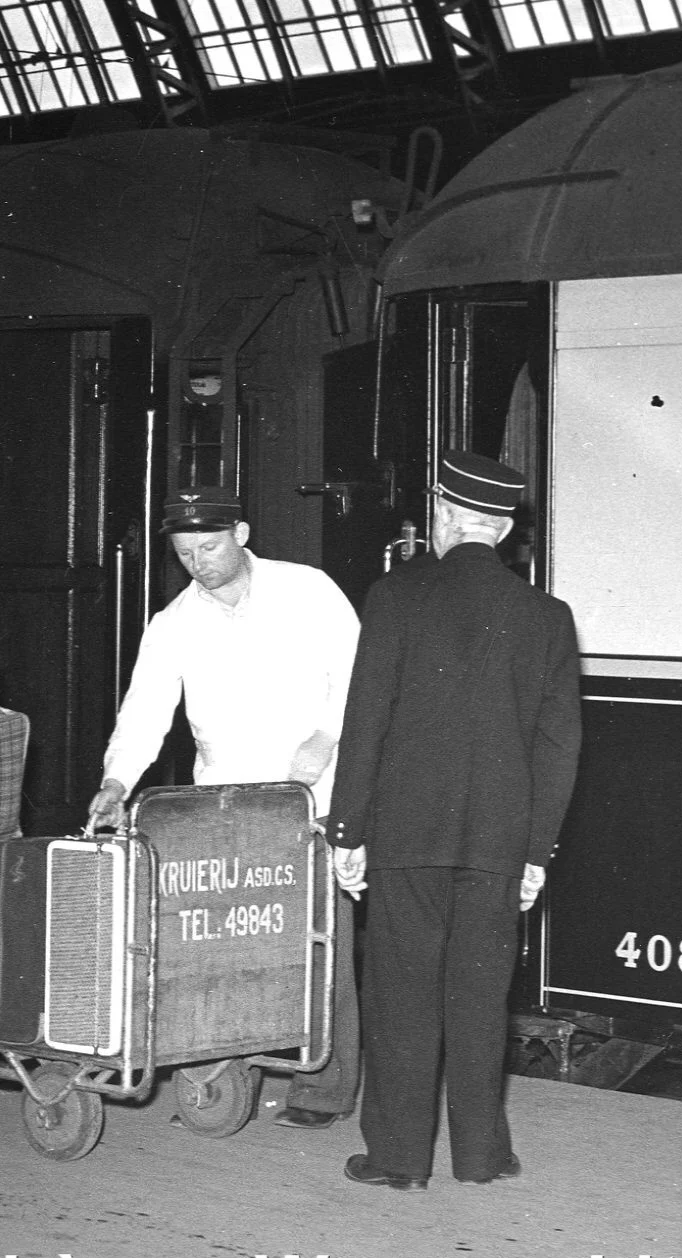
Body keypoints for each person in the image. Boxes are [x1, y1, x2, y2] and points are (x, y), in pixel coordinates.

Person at [329, 450, 581, 1189]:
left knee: (402, 996)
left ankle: (399, 1159)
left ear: (442, 516)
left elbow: (366, 722)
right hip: (498, 844)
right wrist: (536, 851)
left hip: (406, 836)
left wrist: (349, 831)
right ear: (501, 529)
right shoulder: (547, 617)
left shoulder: (394, 597)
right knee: (480, 997)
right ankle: (482, 1156)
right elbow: (559, 747)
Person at [86, 488, 361, 1130]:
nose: (198, 562)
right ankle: (228, 1073)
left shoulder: (309, 590)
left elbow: (359, 675)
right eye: (184, 553)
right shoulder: (173, 622)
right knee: (235, 942)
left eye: (209, 547)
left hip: (310, 798)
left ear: (240, 531)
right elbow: (144, 713)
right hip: (228, 804)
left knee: (322, 942)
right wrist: (116, 782)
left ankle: (323, 1088)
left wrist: (324, 738)